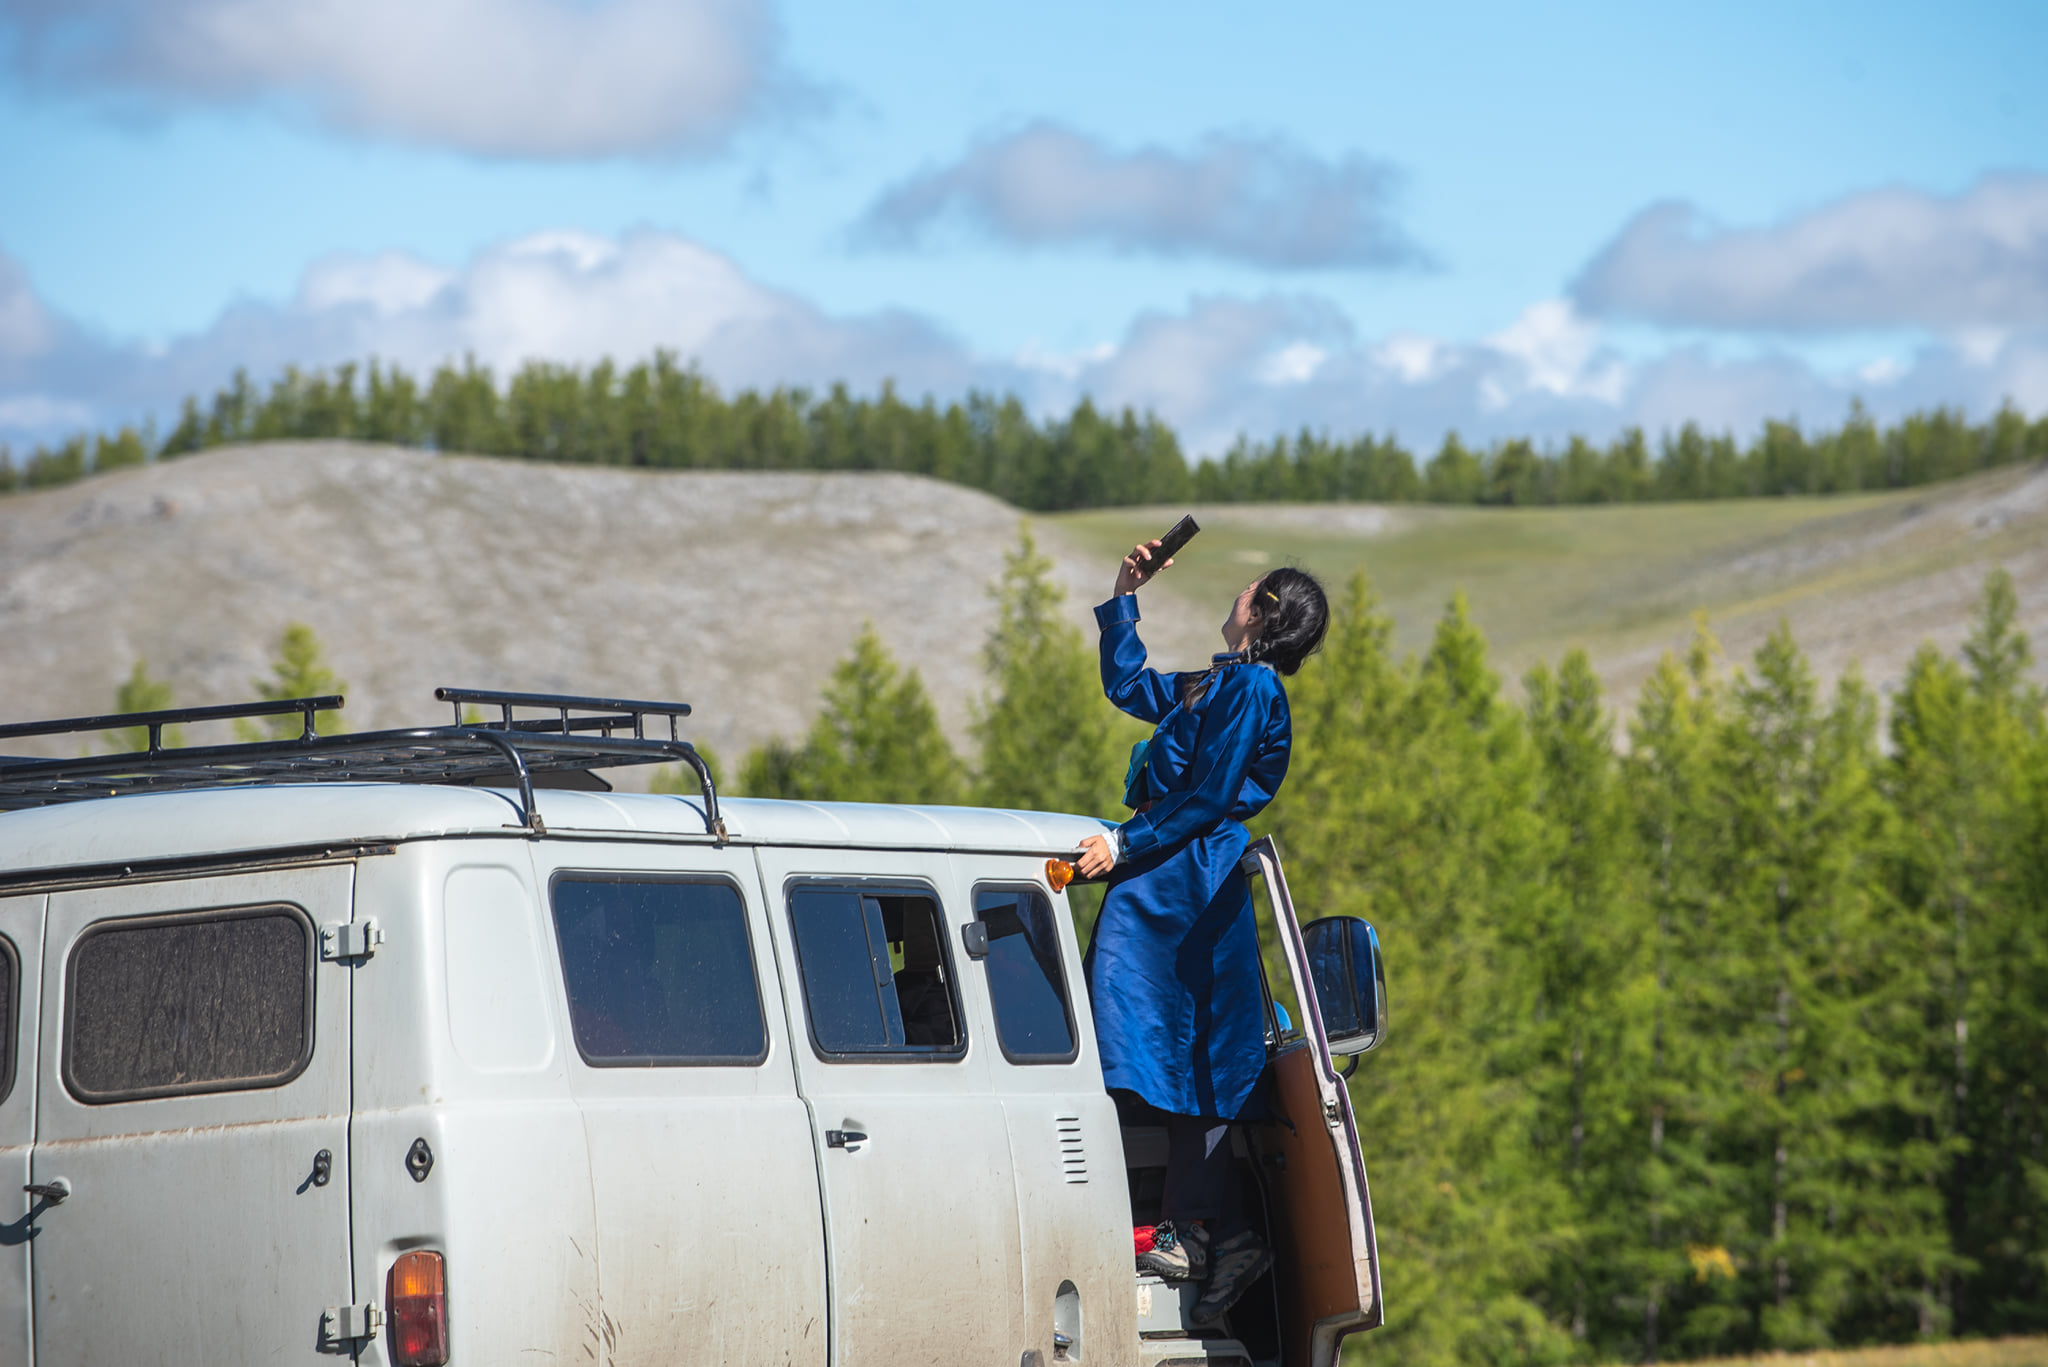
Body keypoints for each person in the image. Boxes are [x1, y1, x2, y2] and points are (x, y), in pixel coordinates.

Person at [1075, 537, 1329, 1328]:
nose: (1234, 596)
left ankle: (1195, 1230)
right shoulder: (1219, 683)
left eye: (1245, 591)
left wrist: (1124, 841)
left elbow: (1213, 794)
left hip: (1190, 878)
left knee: (1192, 1052)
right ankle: (1213, 1231)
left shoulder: (1253, 688)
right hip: (1164, 875)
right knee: (1141, 1039)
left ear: (1262, 616)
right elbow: (1128, 684)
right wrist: (1124, 591)